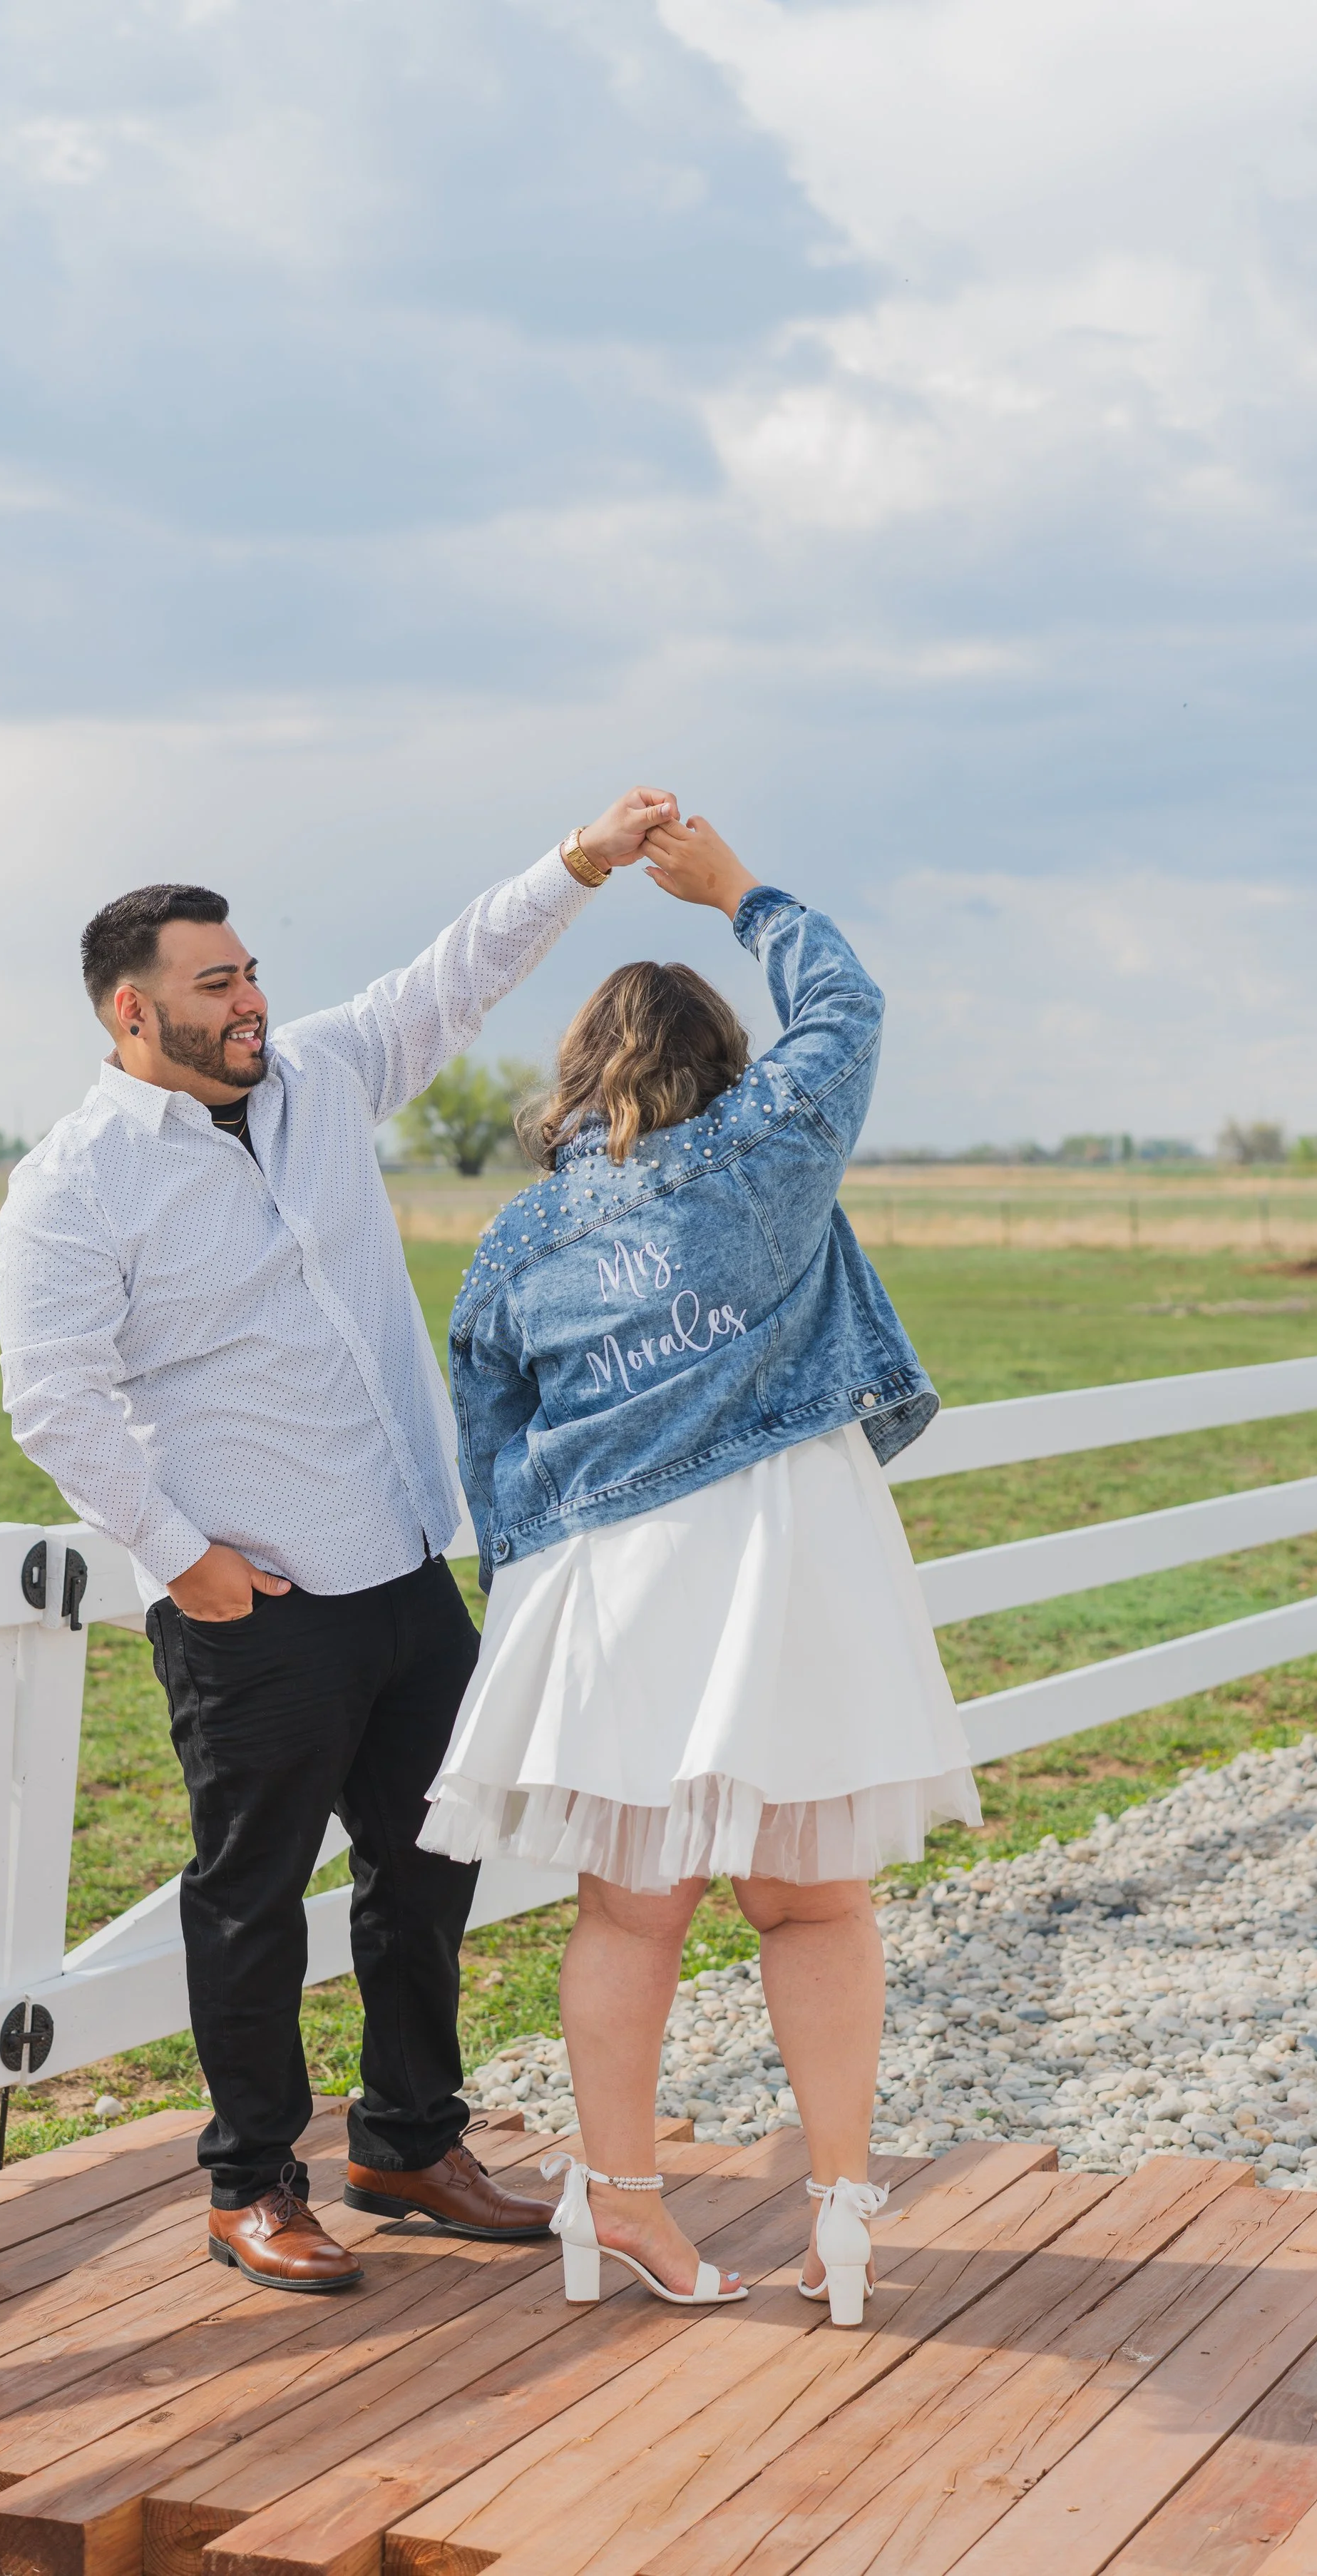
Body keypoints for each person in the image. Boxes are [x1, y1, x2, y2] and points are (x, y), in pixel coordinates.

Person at [0, 787, 677, 2291]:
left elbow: (456, 968)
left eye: (250, 975)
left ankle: (406, 2143)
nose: (252, 1003)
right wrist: (183, 1558)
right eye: (216, 984)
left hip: (403, 1566)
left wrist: (580, 862)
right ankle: (251, 2183)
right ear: (132, 1009)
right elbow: (53, 1396)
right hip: (257, 1603)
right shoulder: (75, 1182)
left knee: (427, 1871)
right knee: (248, 1899)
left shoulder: (318, 1080)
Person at [421, 813, 980, 2323]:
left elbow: (490, 1438)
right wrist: (736, 888)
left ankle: (617, 2216)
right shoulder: (771, 1149)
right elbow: (847, 1009)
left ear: (579, 1076)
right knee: (809, 1908)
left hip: (612, 1583)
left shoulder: (520, 1240)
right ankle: (845, 2216)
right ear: (720, 1064)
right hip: (788, 1557)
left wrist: (525, 1601)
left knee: (627, 1917)